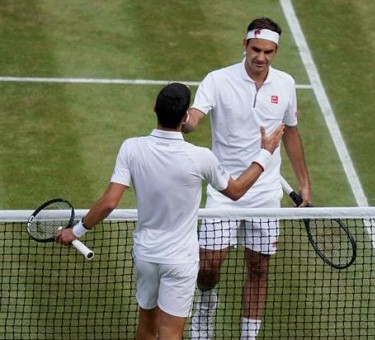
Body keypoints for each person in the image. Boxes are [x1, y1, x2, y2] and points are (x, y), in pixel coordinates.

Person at [54, 83, 284, 340]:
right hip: (181, 260)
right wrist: (265, 153)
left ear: (155, 108)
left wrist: (76, 231)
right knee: (170, 334)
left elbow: (109, 202)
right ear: (186, 117)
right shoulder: (201, 157)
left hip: (147, 256)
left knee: (146, 328)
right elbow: (238, 190)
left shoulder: (131, 148)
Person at [182, 17, 311, 339]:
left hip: (266, 193)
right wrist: (184, 122)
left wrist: (304, 182)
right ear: (244, 45)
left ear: (275, 51)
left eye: (268, 52)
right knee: (209, 265)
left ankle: (249, 335)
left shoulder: (285, 84)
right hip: (224, 189)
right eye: (256, 49)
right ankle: (207, 301)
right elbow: (195, 117)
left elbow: (291, 132)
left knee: (259, 268)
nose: (261, 57)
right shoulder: (217, 80)